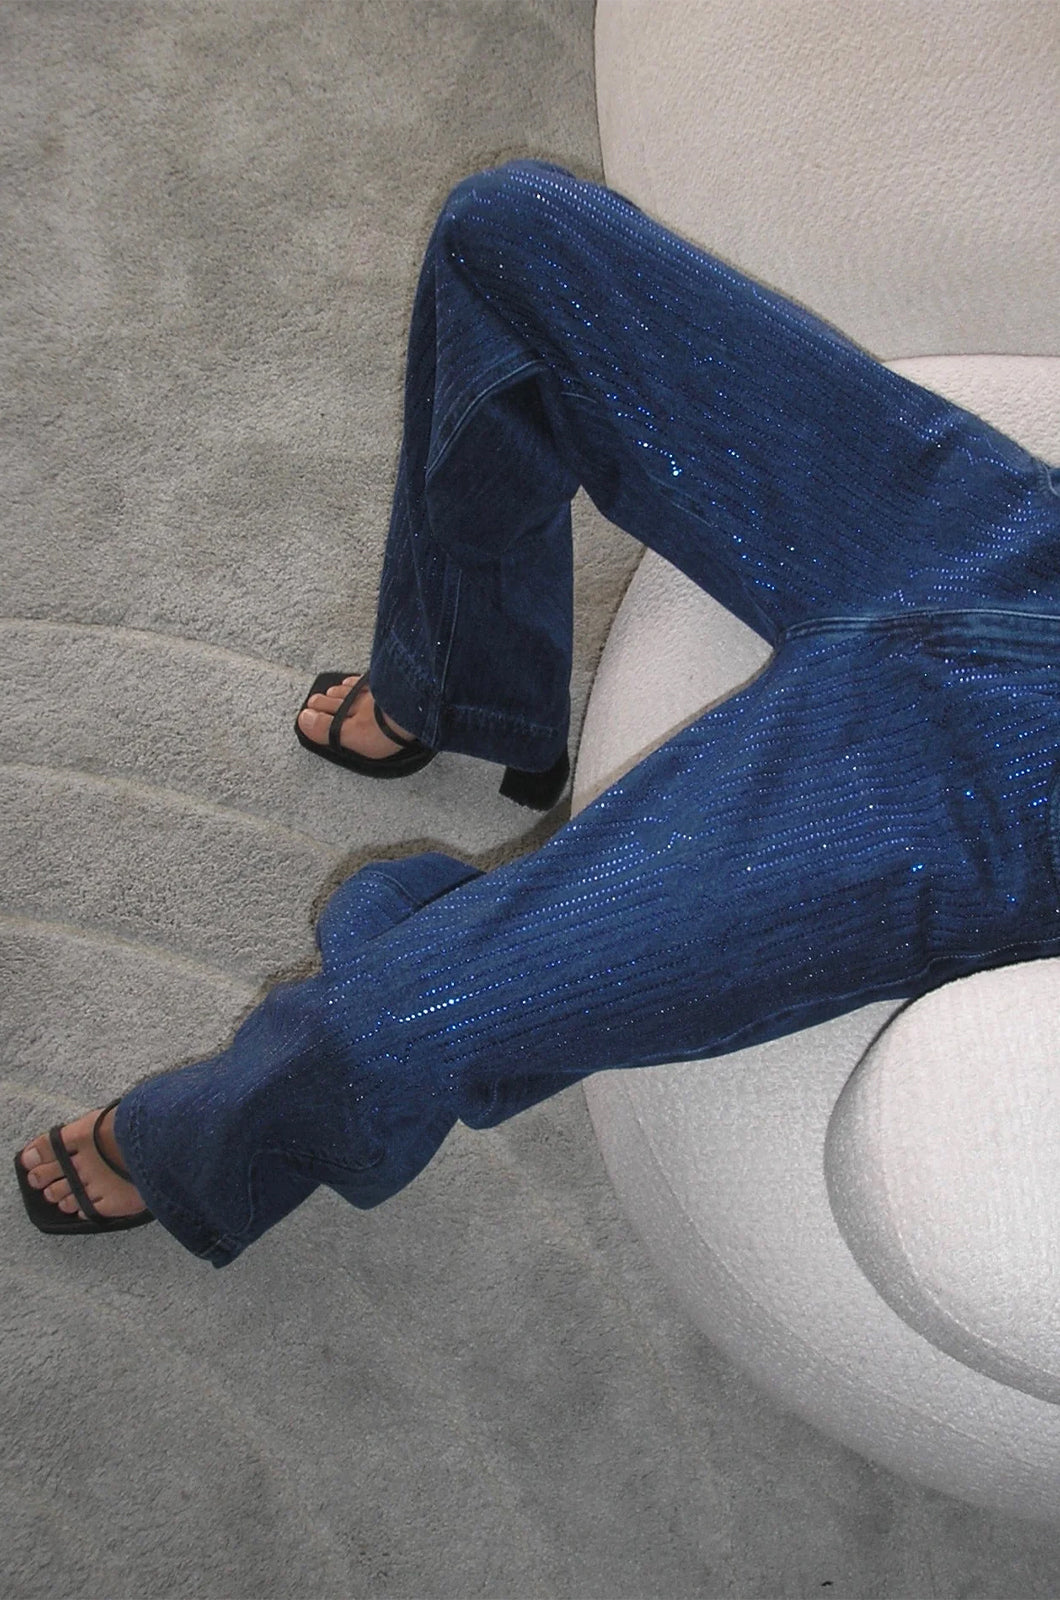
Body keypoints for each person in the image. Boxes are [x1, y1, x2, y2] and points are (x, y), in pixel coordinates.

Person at [16, 162, 1060, 1265]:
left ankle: (215, 1142)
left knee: (412, 1017)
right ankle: (455, 683)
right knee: (508, 235)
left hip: (1005, 794)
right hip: (1013, 547)